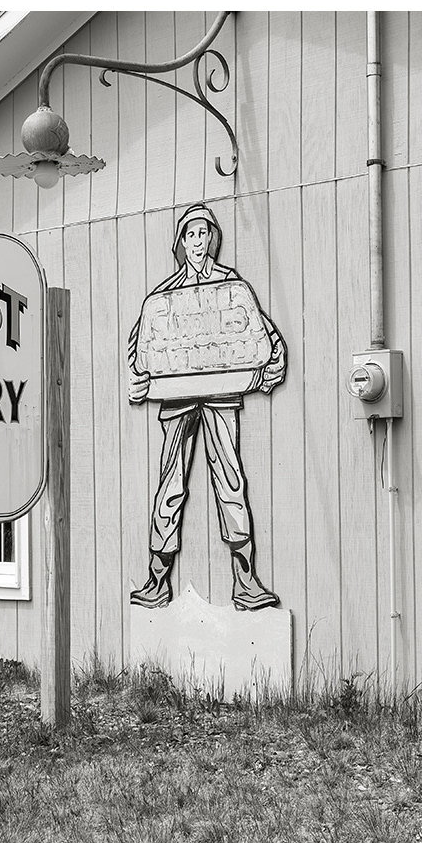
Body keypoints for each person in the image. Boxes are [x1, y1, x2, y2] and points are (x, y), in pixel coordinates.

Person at [126, 202, 286, 611]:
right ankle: (157, 579)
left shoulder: (231, 287)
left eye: (203, 234)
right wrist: (138, 378)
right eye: (190, 235)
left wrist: (273, 364)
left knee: (230, 481)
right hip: (177, 399)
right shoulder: (165, 296)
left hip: (222, 393)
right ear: (181, 242)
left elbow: (262, 334)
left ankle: (245, 580)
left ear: (212, 238)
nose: (197, 242)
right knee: (170, 485)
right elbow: (140, 346)